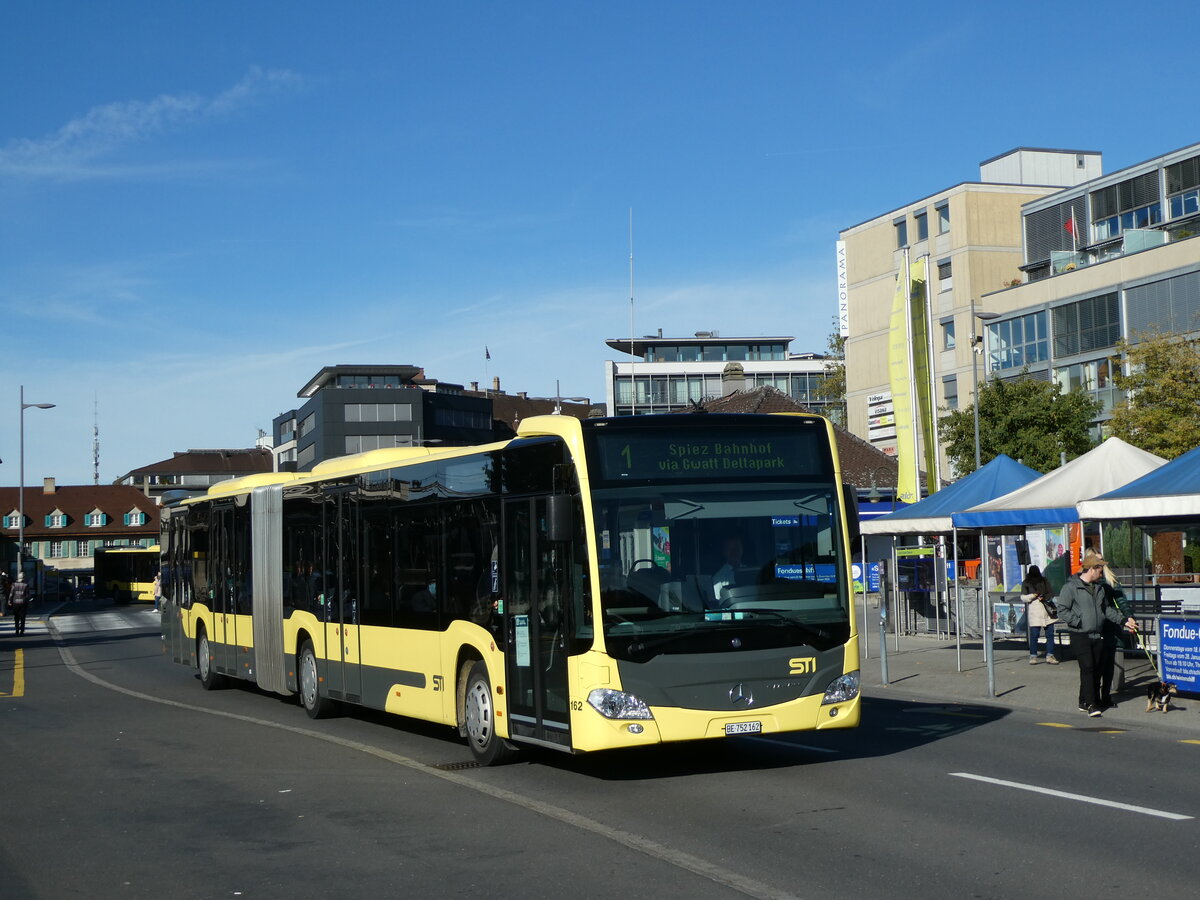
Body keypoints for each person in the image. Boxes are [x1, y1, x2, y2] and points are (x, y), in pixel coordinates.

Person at [1055, 552, 1137, 717]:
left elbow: (1106, 609)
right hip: (1080, 634)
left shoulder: (1098, 588)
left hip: (1096, 634)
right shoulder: (1071, 587)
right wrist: (1078, 621)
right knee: (1088, 668)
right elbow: (1061, 610)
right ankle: (1092, 704)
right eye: (1100, 569)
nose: (1102, 573)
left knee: (1096, 669)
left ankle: (1083, 700)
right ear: (1092, 569)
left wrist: (1123, 620)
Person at [1099, 565, 1129, 708]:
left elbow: (1120, 600)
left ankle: (1106, 696)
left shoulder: (1110, 580)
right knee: (1093, 666)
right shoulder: (1083, 581)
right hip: (1094, 627)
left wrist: (1128, 617)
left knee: (1109, 664)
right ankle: (1091, 698)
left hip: (1110, 626)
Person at [1020, 564, 1059, 665]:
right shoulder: (1027, 582)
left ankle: (1048, 655)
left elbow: (1051, 593)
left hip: (1046, 610)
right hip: (1036, 611)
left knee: (1047, 635)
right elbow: (1023, 597)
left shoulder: (1043, 580)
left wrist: (1044, 597)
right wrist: (1033, 595)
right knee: (1036, 635)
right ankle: (1034, 656)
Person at [712, 534, 745, 603]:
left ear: (742, 549)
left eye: (737, 547)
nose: (734, 552)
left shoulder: (752, 573)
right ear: (724, 552)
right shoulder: (718, 579)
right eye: (730, 549)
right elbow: (718, 605)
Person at [9, 572, 32, 636]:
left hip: (15, 602)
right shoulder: (26, 585)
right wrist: (28, 602)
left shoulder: (14, 584)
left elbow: (11, 594)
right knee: (22, 617)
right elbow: (27, 595)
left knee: (16, 617)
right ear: (24, 577)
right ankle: (22, 630)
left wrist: (9, 601)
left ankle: (16, 630)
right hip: (23, 603)